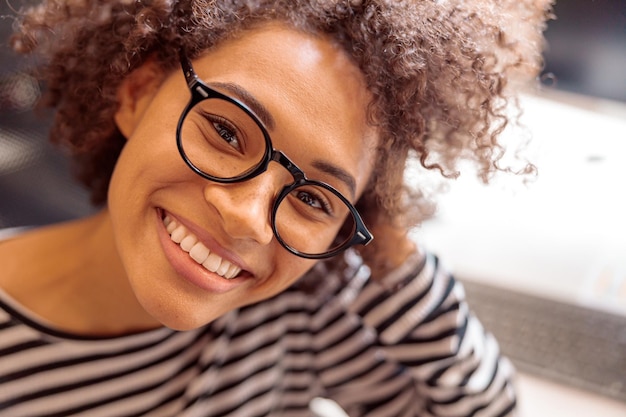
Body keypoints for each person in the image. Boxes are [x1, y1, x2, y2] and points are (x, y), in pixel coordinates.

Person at [0, 0, 552, 415]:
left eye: (313, 197)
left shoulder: (297, 320)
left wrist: (395, 261)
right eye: (224, 130)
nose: (246, 217)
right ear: (138, 93)